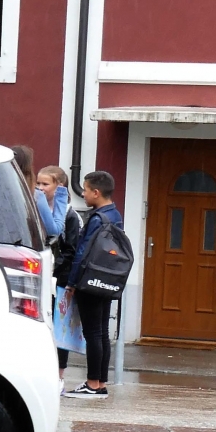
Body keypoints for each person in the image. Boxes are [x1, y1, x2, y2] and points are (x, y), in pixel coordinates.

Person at [66, 170, 124, 398]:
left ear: (96, 192)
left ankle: (91, 383)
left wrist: (72, 282)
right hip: (106, 278)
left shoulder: (97, 218)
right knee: (101, 332)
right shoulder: (115, 214)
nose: (84, 194)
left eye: (86, 190)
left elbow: (83, 251)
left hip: (89, 279)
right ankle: (100, 383)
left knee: (92, 333)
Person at [36, 165, 84, 371]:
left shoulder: (69, 215)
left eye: (45, 184)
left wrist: (53, 270)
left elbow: (71, 250)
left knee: (59, 328)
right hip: (41, 275)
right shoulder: (36, 206)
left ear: (59, 186)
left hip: (60, 279)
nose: (40, 188)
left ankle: (60, 374)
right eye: (38, 183)